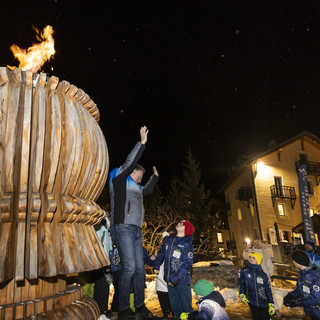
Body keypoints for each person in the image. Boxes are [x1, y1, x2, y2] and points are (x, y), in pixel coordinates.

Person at [109, 126, 159, 320]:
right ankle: (123, 309)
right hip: (123, 228)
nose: (140, 180)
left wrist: (154, 178)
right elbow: (129, 164)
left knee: (139, 269)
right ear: (131, 173)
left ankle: (139, 305)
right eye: (138, 176)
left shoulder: (137, 188)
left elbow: (146, 190)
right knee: (129, 267)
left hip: (137, 230)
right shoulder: (119, 180)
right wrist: (142, 144)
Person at [153, 220, 195, 318]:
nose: (179, 224)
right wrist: (156, 265)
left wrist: (174, 279)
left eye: (182, 224)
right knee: (175, 307)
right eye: (179, 222)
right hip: (169, 280)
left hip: (182, 281)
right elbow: (161, 253)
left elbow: (187, 265)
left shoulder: (187, 245)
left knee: (186, 308)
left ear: (187, 230)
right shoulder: (169, 240)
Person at [283, 250, 320, 320]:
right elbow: (301, 290)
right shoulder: (302, 273)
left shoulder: (315, 276)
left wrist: (296, 303)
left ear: (298, 262)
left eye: (293, 260)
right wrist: (291, 295)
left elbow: (316, 299)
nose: (293, 261)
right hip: (313, 312)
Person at [239, 252, 275, 320]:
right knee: (256, 317)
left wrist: (271, 302)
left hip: (263, 302)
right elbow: (242, 283)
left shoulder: (263, 274)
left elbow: (268, 289)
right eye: (250, 257)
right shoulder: (244, 271)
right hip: (252, 301)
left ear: (258, 260)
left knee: (265, 317)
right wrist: (242, 293)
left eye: (254, 258)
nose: (251, 259)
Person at [94, 217, 113, 319]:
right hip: (100, 260)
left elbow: (109, 247)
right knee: (100, 285)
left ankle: (102, 310)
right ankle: (99, 310)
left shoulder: (103, 229)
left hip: (103, 261)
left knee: (104, 285)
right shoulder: (99, 228)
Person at [155, 231, 172, 318]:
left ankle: (168, 314)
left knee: (169, 307)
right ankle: (166, 315)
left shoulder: (170, 255)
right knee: (167, 308)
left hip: (168, 285)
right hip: (163, 286)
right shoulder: (161, 255)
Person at [109, 243, 121, 313]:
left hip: (120, 269)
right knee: (118, 289)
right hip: (114, 270)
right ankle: (114, 308)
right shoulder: (111, 249)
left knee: (119, 289)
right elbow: (113, 261)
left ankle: (116, 308)